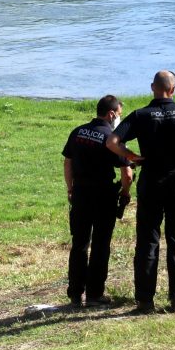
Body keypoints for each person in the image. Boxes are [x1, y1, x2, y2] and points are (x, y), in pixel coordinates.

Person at [107, 70, 175, 314]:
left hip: (150, 182)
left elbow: (112, 142)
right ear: (173, 90)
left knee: (148, 240)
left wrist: (132, 156)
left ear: (152, 87)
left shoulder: (140, 115)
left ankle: (145, 301)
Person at [63, 95, 133, 308]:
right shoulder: (112, 138)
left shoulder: (78, 131)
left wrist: (70, 189)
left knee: (79, 244)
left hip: (81, 193)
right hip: (104, 195)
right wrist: (125, 192)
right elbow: (127, 174)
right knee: (101, 244)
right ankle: (95, 294)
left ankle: (75, 294)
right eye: (118, 115)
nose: (118, 119)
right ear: (111, 114)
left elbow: (68, 163)